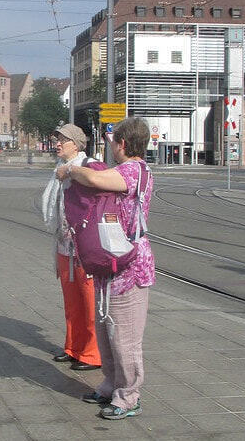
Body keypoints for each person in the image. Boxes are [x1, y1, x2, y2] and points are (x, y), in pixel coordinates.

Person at [60, 118, 154, 420]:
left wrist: (72, 169)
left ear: (123, 144)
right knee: (106, 329)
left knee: (124, 337)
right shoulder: (123, 169)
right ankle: (111, 384)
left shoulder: (135, 170)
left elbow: (97, 180)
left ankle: (129, 396)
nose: (111, 147)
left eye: (112, 142)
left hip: (130, 267)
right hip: (109, 262)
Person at [51, 124, 101, 371]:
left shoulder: (88, 165)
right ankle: (73, 346)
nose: (57, 143)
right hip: (64, 245)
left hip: (84, 247)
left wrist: (70, 171)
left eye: (63, 139)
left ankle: (92, 353)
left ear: (77, 144)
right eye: (57, 139)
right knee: (72, 301)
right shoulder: (59, 170)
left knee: (89, 300)